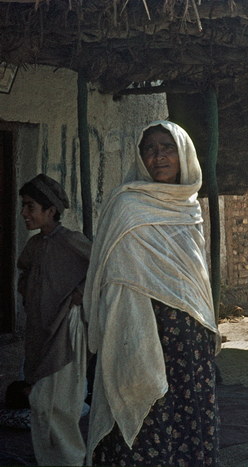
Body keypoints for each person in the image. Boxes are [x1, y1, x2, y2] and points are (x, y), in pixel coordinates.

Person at [84, 121, 220, 466]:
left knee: (188, 417)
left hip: (187, 336)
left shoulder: (189, 207)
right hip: (139, 328)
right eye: (149, 149)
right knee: (143, 411)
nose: (158, 156)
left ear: (183, 153)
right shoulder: (126, 205)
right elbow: (111, 272)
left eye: (167, 147)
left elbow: (196, 275)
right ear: (140, 157)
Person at [17, 174, 91, 466]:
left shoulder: (71, 241)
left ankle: (72, 460)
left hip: (66, 331)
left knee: (59, 404)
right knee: (40, 403)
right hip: (40, 332)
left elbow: (101, 268)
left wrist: (80, 293)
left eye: (30, 206)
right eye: (23, 206)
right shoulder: (35, 245)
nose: (24, 213)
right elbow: (26, 273)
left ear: (50, 210)